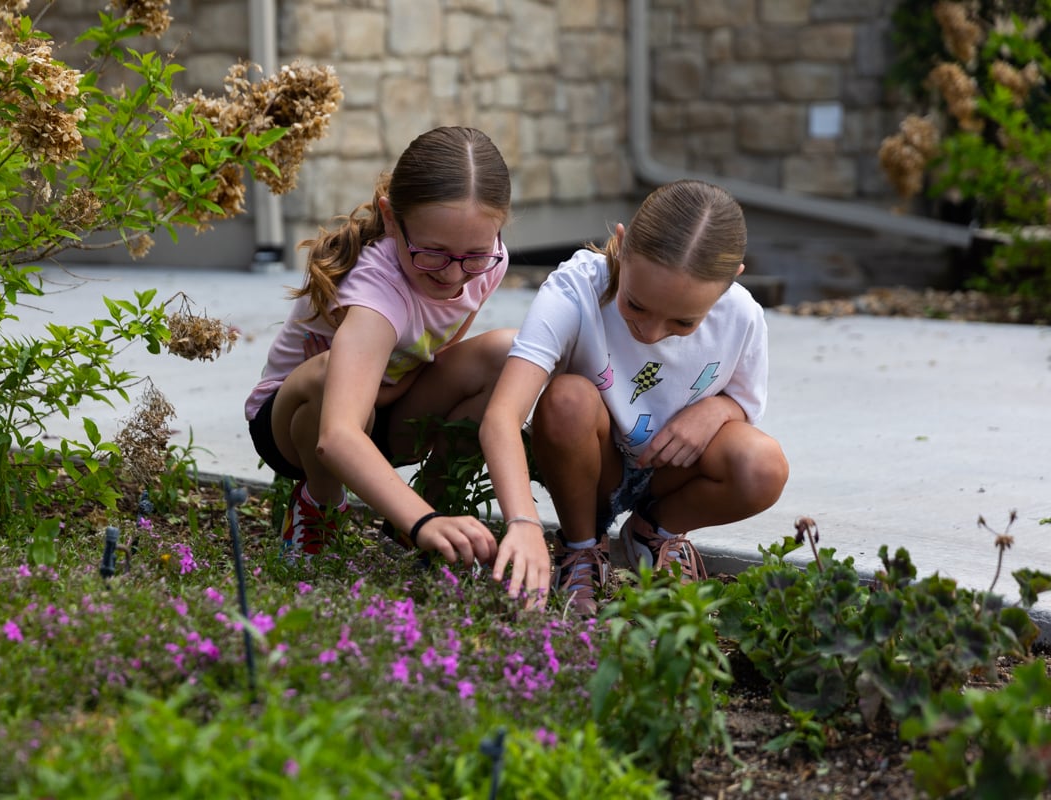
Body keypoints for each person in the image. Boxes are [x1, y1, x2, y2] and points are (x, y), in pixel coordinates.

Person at [480, 179, 789, 615]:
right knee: (567, 398)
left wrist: (719, 408)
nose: (652, 332)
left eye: (682, 322)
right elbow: (502, 417)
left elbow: (744, 406)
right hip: (591, 464)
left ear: (726, 285)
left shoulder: (742, 316)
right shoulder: (577, 288)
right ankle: (581, 546)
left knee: (762, 465)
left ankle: (654, 533)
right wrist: (523, 522)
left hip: (670, 471)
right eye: (636, 305)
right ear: (621, 246)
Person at [245, 126, 514, 566]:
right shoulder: (377, 290)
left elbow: (436, 354)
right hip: (296, 427)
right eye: (433, 253)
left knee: (507, 356)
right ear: (391, 220)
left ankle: (425, 514)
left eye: (475, 254)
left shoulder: (481, 263)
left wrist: (390, 391)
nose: (452, 275)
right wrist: (421, 520)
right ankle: (320, 507)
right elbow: (337, 434)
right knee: (332, 372)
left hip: (390, 409)